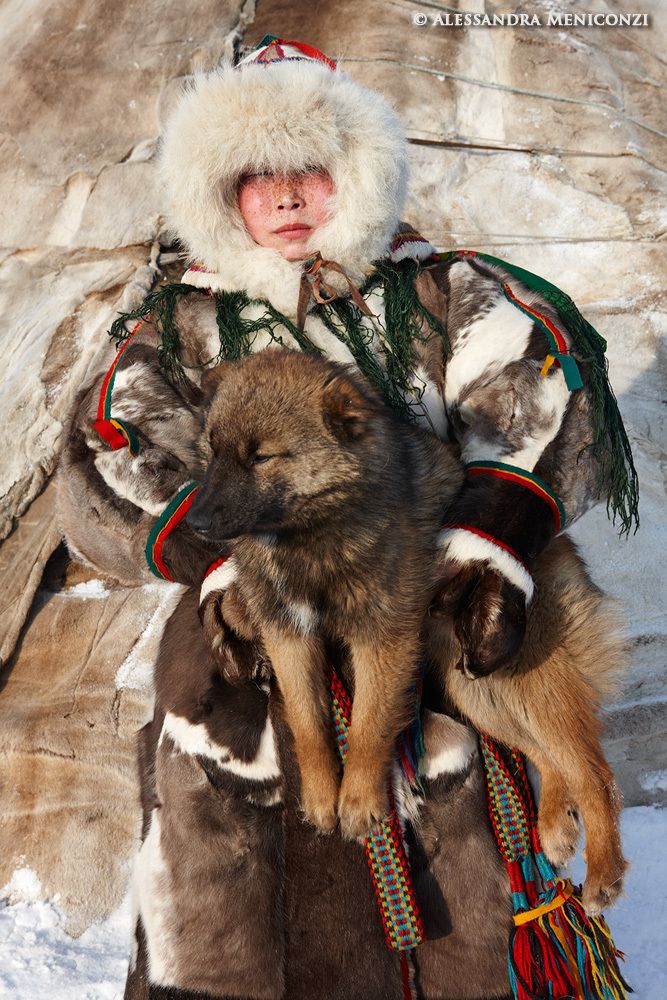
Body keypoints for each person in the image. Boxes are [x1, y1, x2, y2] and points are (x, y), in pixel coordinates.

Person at [56, 35, 637, 1000]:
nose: (285, 198)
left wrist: (485, 541)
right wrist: (219, 558)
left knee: (481, 704)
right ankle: (218, 974)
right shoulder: (183, 323)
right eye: (255, 178)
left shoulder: (433, 289)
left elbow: (531, 398)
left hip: (423, 565)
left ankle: (481, 971)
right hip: (252, 581)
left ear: (356, 176)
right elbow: (118, 447)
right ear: (219, 195)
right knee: (213, 729)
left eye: (309, 173)